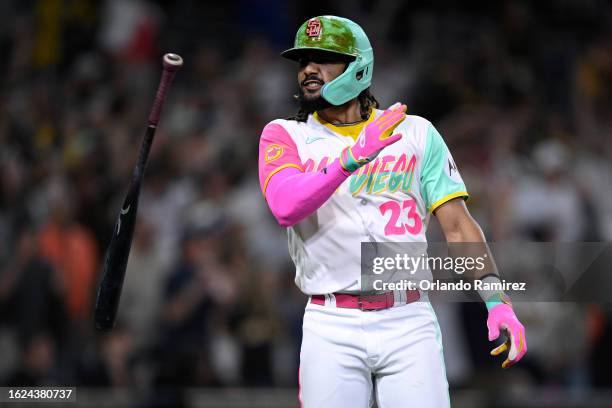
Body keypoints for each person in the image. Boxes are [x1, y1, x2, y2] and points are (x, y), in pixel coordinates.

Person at [257, 15, 527, 407]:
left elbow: (457, 226)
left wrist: (496, 299)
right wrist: (352, 157)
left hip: (408, 318)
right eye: (303, 61)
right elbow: (285, 205)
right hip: (332, 321)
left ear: (358, 66)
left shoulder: (415, 132)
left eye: (324, 58)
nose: (309, 69)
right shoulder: (285, 135)